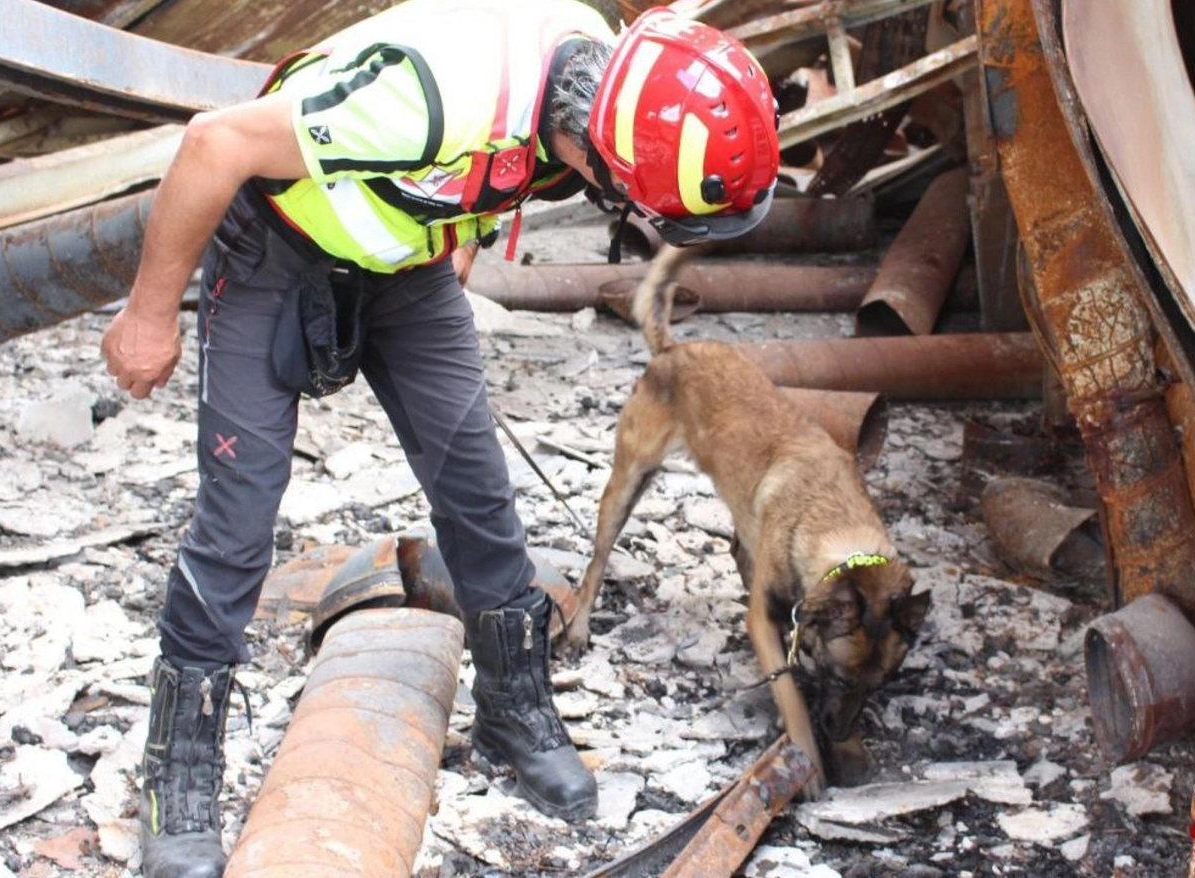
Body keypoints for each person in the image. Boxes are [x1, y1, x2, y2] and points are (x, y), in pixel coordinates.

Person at [99, 1, 779, 875]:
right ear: (597, 155)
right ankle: (179, 781)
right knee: (238, 517)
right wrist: (150, 314)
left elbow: (517, 163)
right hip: (278, 243)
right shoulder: (418, 103)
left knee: (478, 490)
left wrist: (468, 228)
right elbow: (213, 144)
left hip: (407, 260)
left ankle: (513, 711)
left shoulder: (604, 81)